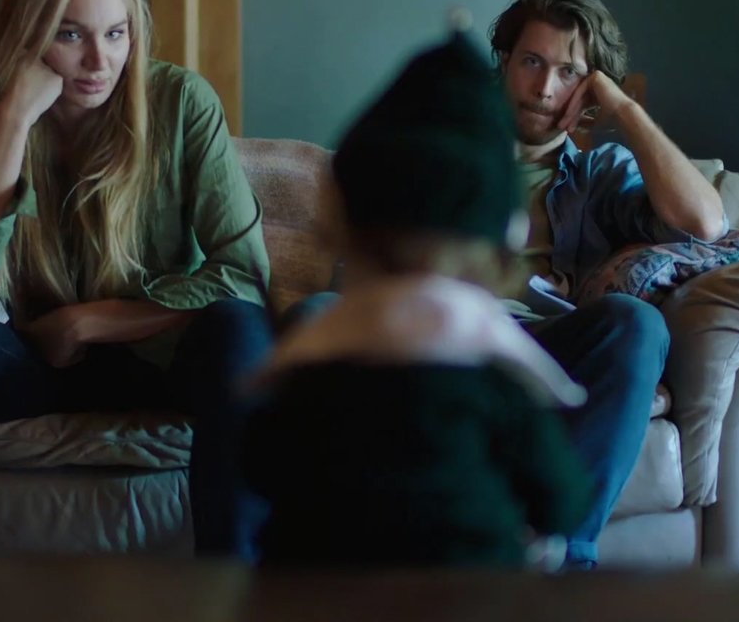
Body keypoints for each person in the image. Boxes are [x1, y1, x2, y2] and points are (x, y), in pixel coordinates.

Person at [0, 0, 272, 555]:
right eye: (71, 35)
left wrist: (89, 322)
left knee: (239, 329)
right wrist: (11, 120)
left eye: (116, 34)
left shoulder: (180, 103)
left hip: (162, 356)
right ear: (27, 34)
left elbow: (244, 275)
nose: (100, 61)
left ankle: (233, 579)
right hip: (45, 365)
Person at [242, 32, 589, 569]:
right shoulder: (497, 382)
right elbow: (561, 502)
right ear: (505, 239)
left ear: (342, 228)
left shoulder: (317, 370)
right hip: (467, 586)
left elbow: (259, 465)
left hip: (322, 588)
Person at [488, 0, 728, 568]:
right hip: (448, 334)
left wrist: (624, 110)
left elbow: (706, 224)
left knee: (635, 324)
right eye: (532, 62)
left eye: (568, 73)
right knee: (321, 313)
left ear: (589, 89)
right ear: (505, 63)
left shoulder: (598, 174)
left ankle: (565, 556)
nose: (545, 88)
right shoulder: (448, 153)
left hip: (545, 342)